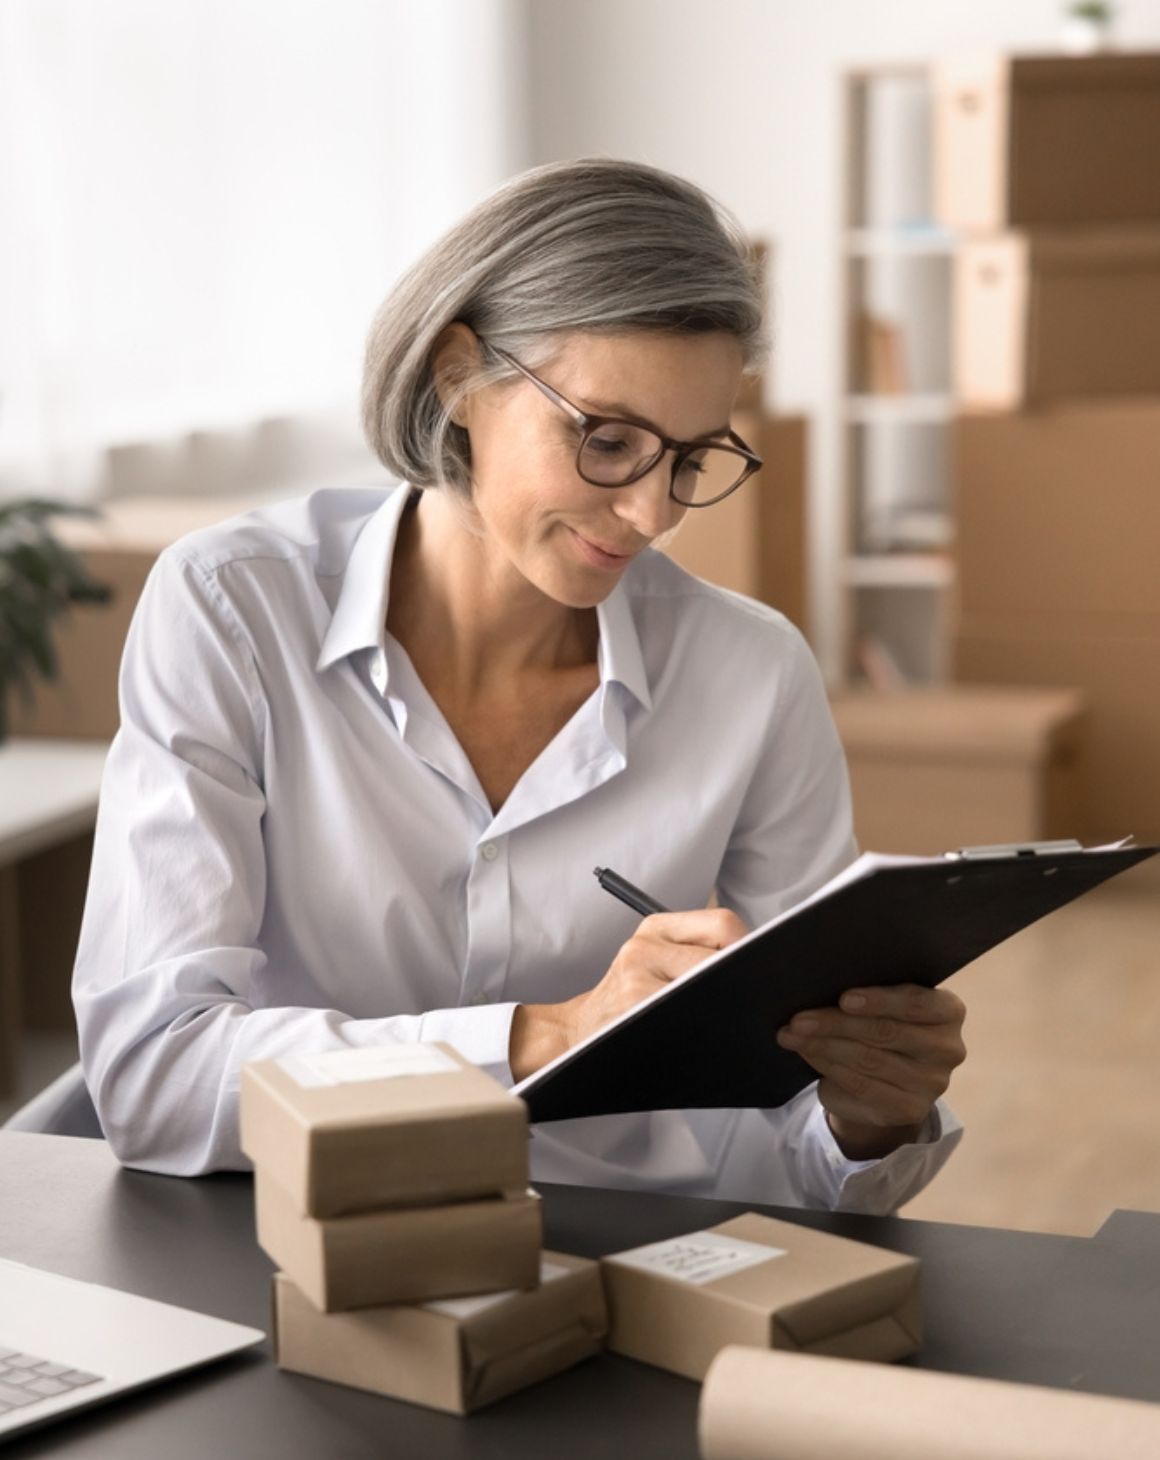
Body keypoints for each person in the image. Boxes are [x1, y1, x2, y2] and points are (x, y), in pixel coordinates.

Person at [74, 158, 965, 1211]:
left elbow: (787, 1140)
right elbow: (152, 1078)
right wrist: (548, 1030)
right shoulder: (232, 607)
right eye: (607, 439)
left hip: (622, 1261)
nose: (651, 513)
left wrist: (865, 1115)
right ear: (459, 374)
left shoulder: (751, 672)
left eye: (687, 457)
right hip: (287, 1243)